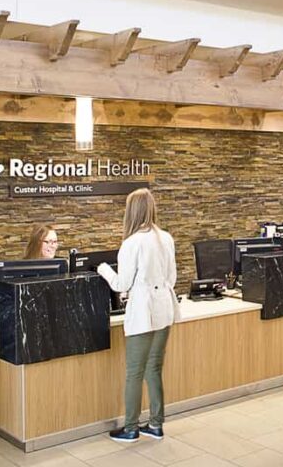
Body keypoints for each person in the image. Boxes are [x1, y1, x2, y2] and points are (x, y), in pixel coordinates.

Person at [96, 189, 180, 440]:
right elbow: (172, 278)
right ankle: (155, 424)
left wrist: (103, 269)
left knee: (134, 372)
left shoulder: (131, 243)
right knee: (153, 369)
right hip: (164, 309)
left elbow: (121, 283)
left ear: (130, 212)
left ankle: (131, 428)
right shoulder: (166, 238)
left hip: (144, 313)